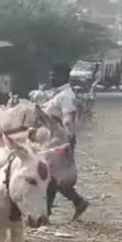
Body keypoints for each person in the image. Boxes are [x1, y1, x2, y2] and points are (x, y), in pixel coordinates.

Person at [44, 63, 90, 220]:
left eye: (54, 76)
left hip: (60, 140)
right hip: (54, 138)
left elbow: (68, 120)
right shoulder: (60, 94)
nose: (51, 79)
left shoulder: (66, 96)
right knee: (53, 177)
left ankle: (49, 212)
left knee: (53, 177)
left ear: (63, 77)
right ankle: (77, 202)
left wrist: (66, 141)